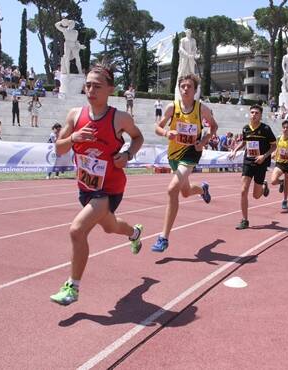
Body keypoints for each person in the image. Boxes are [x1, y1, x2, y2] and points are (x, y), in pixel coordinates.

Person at [49, 62, 144, 306]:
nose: (91, 90)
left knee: (77, 230)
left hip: (110, 187)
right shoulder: (74, 115)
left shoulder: (119, 118)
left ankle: (73, 287)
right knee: (111, 227)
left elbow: (138, 137)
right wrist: (73, 137)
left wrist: (128, 155)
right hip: (86, 188)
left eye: (97, 86)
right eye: (88, 85)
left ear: (110, 89)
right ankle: (134, 233)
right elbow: (59, 149)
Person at [151, 73, 217, 252]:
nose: (186, 89)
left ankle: (163, 237)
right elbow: (157, 127)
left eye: (189, 86)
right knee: (185, 192)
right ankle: (202, 189)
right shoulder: (172, 108)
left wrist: (203, 142)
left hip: (191, 153)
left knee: (172, 189)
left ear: (195, 90)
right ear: (179, 89)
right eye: (183, 86)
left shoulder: (201, 109)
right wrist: (166, 133)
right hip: (174, 155)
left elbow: (214, 126)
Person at [229, 105, 276, 229]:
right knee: (243, 190)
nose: (254, 115)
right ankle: (245, 220)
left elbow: (274, 146)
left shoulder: (266, 129)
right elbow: (244, 142)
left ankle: (264, 186)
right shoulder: (245, 129)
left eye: (256, 113)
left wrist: (264, 156)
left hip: (261, 163)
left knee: (256, 195)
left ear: (260, 115)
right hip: (248, 161)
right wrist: (235, 150)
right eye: (252, 112)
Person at [269, 120, 288, 210]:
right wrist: (274, 153)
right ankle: (281, 182)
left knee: (287, 186)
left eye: (287, 127)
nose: (285, 129)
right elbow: (277, 148)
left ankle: (285, 200)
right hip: (280, 163)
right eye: (284, 127)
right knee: (273, 181)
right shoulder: (278, 138)